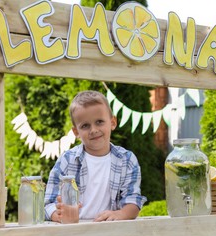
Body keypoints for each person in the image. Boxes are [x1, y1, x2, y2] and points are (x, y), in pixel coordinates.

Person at [44, 90, 147, 222]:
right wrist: (56, 215)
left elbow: (133, 201)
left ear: (113, 122)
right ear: (76, 132)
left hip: (109, 230)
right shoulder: (67, 160)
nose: (93, 130)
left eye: (99, 122)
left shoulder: (127, 160)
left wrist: (120, 214)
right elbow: (48, 203)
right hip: (73, 230)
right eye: (85, 125)